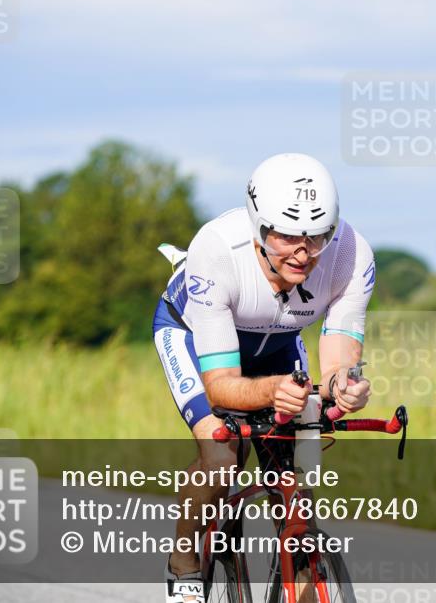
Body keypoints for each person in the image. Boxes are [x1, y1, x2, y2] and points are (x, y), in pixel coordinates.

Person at [152, 153, 376, 602]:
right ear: (259, 227)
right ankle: (183, 561)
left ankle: (302, 575)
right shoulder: (216, 248)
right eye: (289, 235)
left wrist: (343, 388)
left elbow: (336, 364)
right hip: (196, 338)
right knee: (222, 455)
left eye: (318, 237)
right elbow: (221, 385)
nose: (304, 251)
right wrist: (273, 391)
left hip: (277, 344)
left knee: (293, 484)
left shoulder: (351, 253)